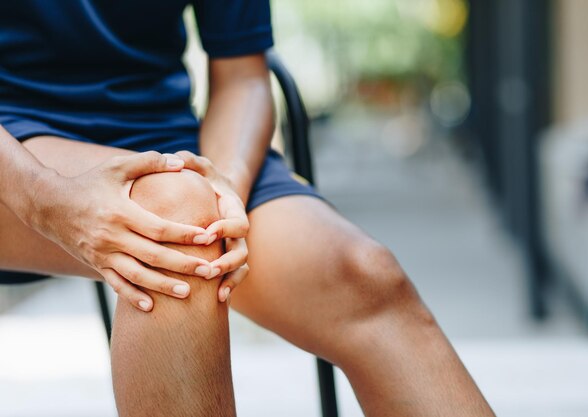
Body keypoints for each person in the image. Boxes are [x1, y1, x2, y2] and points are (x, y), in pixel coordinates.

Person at [0, 1, 495, 416]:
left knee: (364, 278)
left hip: (169, 145)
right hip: (13, 150)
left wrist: (223, 196)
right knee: (173, 224)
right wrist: (42, 197)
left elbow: (243, 76)